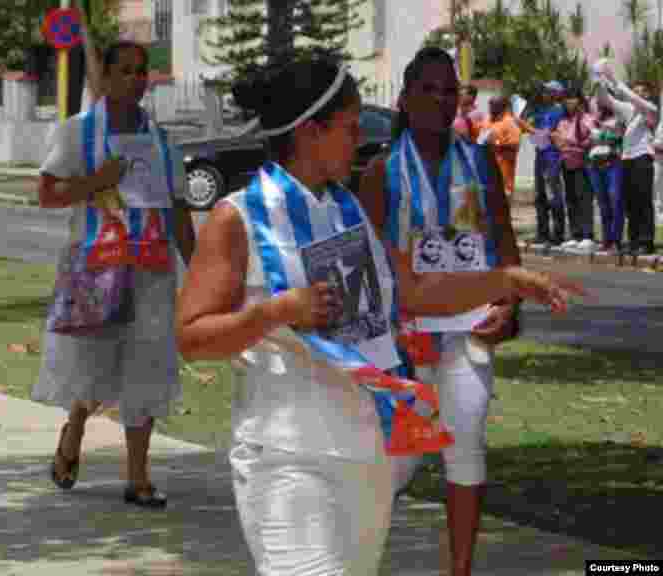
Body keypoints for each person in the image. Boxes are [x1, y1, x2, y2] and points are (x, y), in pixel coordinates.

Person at [176, 52, 584, 576]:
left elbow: (411, 290)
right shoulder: (238, 218)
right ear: (309, 132)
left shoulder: (345, 208)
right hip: (288, 458)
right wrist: (276, 312)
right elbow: (190, 337)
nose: (358, 140)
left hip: (366, 454)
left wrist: (506, 281)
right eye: (348, 128)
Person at [357, 46, 535, 576]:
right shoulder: (382, 172)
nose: (439, 100)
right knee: (397, 464)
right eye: (427, 90)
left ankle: (460, 569)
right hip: (405, 344)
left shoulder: (478, 161)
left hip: (468, 333)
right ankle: (359, 559)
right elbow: (364, 265)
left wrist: (509, 302)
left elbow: (502, 240)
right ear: (405, 100)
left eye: (448, 90)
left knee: (466, 447)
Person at [32, 39, 196, 508]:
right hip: (95, 271)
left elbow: (180, 210)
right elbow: (46, 194)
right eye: (125, 71)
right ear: (103, 76)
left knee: (145, 369)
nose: (136, 80)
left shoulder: (163, 142)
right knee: (93, 367)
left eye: (142, 71)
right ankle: (74, 431)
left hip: (151, 273)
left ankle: (138, 476)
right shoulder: (76, 134)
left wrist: (200, 268)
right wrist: (94, 182)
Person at [593, 59, 658, 255]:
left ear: (646, 94)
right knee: (630, 201)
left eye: (640, 91)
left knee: (643, 200)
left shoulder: (650, 109)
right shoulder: (629, 110)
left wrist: (614, 78)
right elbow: (607, 101)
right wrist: (598, 81)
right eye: (635, 90)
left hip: (643, 158)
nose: (636, 93)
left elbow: (632, 98)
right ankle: (634, 239)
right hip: (627, 159)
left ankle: (646, 242)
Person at [520, 81, 567, 245]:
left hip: (553, 155)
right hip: (540, 154)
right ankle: (542, 232)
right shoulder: (539, 109)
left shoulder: (559, 110)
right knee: (540, 195)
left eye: (548, 91)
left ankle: (558, 233)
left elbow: (555, 132)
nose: (544, 94)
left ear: (556, 93)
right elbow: (524, 123)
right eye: (544, 92)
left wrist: (539, 132)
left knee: (554, 194)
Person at [552, 90, 596, 251]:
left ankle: (587, 235)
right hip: (566, 162)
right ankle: (575, 234)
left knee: (584, 198)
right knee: (571, 199)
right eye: (566, 99)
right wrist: (560, 142)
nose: (569, 102)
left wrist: (573, 142)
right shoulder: (563, 121)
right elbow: (557, 137)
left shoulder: (586, 118)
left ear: (579, 100)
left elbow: (591, 137)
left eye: (572, 98)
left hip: (582, 163)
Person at [588, 101, 625, 252]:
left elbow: (619, 137)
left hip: (612, 164)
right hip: (596, 165)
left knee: (615, 200)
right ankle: (606, 239)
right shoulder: (594, 121)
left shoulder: (619, 119)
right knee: (603, 203)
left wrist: (605, 131)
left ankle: (616, 239)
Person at [483, 95, 522, 201]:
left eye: (493, 105)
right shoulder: (487, 120)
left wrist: (497, 143)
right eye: (490, 105)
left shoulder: (510, 122)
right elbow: (481, 138)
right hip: (487, 171)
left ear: (502, 107)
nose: (490, 108)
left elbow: (515, 143)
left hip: (503, 173)